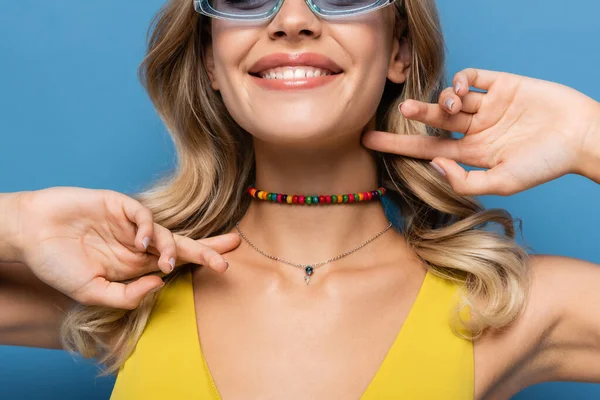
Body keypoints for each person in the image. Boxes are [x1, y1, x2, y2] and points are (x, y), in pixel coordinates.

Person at [1, 0, 599, 399]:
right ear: (210, 58)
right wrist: (18, 221)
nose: (291, 20)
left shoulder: (506, 305)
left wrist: (587, 139)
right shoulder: (127, 283)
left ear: (400, 51)